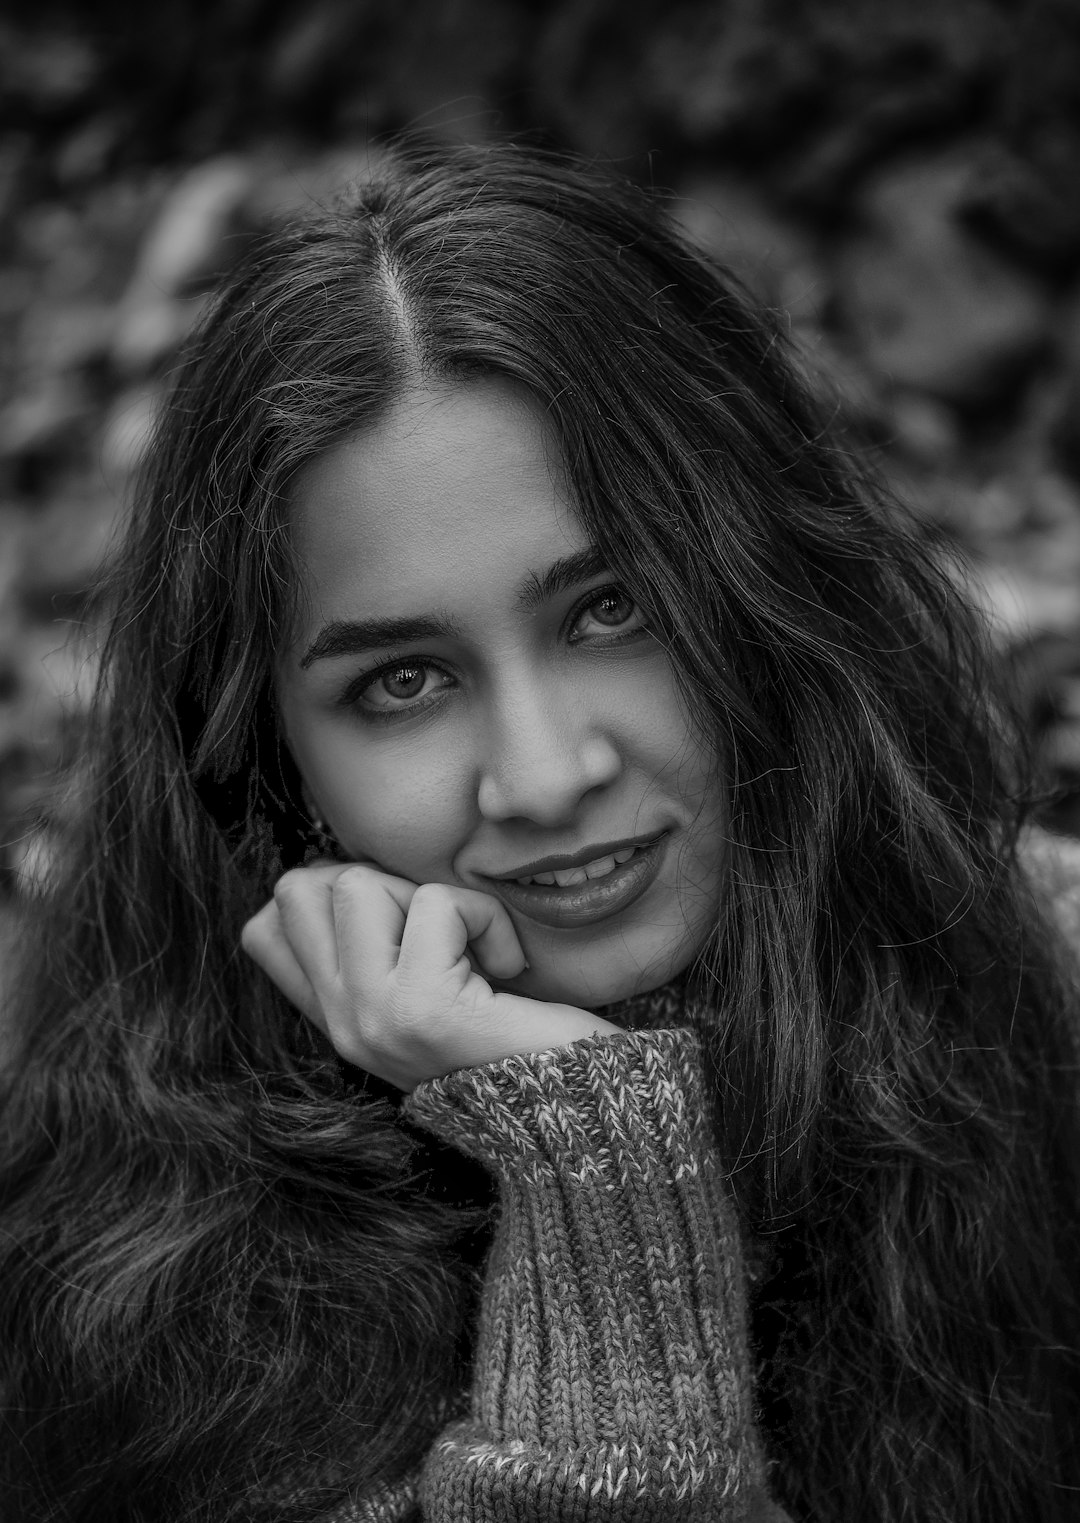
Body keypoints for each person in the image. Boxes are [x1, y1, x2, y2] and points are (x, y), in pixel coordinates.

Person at [1, 138, 1078, 1523]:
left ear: (773, 588)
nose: (545, 772)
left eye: (613, 610)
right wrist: (594, 1161)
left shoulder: (1038, 969)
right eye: (404, 682)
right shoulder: (148, 1305)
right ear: (265, 757)